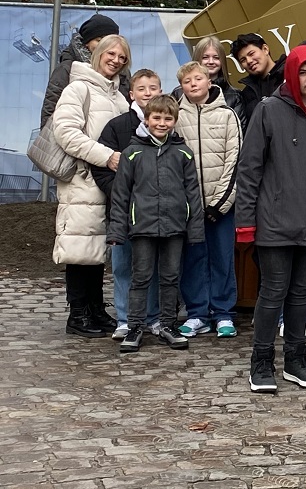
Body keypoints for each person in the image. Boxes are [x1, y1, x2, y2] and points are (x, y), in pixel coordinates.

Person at [236, 44, 306, 393]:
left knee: (301, 293)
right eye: (304, 72)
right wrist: (245, 223)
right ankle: (261, 362)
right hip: (275, 220)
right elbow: (249, 168)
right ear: (291, 74)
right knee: (273, 291)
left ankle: (297, 360)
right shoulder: (269, 110)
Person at [106, 95, 204, 353]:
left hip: (174, 227)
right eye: (157, 117)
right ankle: (135, 326)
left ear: (174, 121)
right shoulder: (132, 153)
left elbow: (193, 193)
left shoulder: (183, 153)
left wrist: (194, 229)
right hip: (143, 227)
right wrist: (117, 229)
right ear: (147, 119)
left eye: (167, 118)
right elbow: (121, 195)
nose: (162, 123)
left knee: (171, 277)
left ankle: (168, 325)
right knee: (141, 278)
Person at [51, 33, 132, 338]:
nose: (116, 60)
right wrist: (106, 156)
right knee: (79, 246)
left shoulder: (118, 96)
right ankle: (78, 313)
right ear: (97, 54)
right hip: (83, 180)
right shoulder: (79, 87)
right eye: (111, 54)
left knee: (97, 246)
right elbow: (66, 133)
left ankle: (96, 308)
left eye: (122, 58)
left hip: (106, 183)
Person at [93, 68, 163, 340]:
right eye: (142, 89)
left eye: (153, 88)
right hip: (123, 211)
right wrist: (123, 195)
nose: (148, 93)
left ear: (161, 90)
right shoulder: (117, 125)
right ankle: (124, 318)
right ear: (132, 94)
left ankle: (153, 316)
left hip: (157, 213)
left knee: (154, 266)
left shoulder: (167, 124)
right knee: (123, 266)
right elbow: (101, 168)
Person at [174, 61, 242, 339]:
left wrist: (220, 203)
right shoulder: (175, 115)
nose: (193, 84)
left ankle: (223, 312)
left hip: (220, 207)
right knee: (193, 260)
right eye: (187, 81)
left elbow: (235, 161)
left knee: (222, 258)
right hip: (188, 206)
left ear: (209, 81)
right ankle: (197, 313)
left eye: (197, 78)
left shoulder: (227, 115)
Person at [41, 14, 129, 125]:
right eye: (99, 41)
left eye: (109, 41)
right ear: (87, 42)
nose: (104, 45)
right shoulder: (67, 69)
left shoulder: (122, 72)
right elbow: (50, 110)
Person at [183, 35, 245, 129]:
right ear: (197, 59)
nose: (211, 62)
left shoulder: (234, 96)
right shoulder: (179, 93)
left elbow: (239, 132)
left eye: (216, 57)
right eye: (205, 57)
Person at [231, 33, 285, 122]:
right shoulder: (246, 94)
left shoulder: (289, 74)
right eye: (243, 60)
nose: (249, 61)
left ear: (265, 49)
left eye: (251, 54)